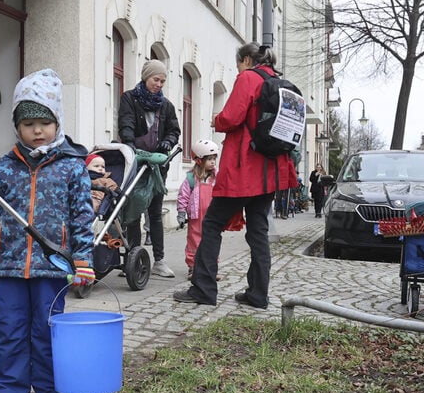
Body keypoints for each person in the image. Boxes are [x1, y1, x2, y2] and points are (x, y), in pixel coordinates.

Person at [0, 69, 95, 393]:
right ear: (17, 126)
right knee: (9, 328)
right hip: (10, 265)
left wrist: (83, 259)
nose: (37, 131)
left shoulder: (72, 167)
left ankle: (51, 389)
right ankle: (9, 388)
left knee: (47, 330)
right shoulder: (5, 168)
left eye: (44, 122)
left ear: (57, 122)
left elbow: (81, 218)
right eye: (28, 124)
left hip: (53, 266)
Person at [174, 43, 297, 308]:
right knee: (258, 233)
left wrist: (216, 119)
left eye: (238, 63)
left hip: (245, 169)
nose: (238, 69)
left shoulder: (248, 77)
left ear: (246, 60)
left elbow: (232, 117)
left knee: (212, 223)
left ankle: (204, 290)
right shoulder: (278, 81)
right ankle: (258, 294)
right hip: (270, 170)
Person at [117, 59, 181, 278]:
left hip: (157, 166)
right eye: (156, 79)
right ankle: (133, 259)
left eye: (163, 80)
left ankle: (159, 260)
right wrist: (129, 145)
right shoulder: (129, 99)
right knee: (133, 212)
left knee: (155, 213)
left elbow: (174, 130)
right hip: (135, 163)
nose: (159, 84)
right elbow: (125, 124)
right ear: (146, 78)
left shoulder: (166, 106)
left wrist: (167, 143)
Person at [176, 139, 220, 279]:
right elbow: (183, 196)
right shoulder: (191, 178)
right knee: (194, 241)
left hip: (213, 215)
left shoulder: (216, 177)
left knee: (211, 240)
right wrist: (181, 213)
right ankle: (193, 266)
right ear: (199, 161)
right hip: (196, 217)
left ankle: (211, 268)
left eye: (214, 159)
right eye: (209, 159)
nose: (213, 162)